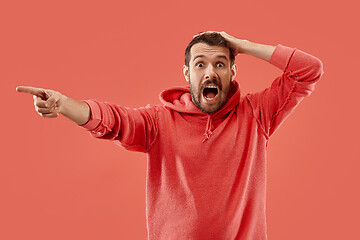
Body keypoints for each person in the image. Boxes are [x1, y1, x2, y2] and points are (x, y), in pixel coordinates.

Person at [16, 31, 324, 240]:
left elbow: (308, 70)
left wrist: (241, 44)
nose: (210, 73)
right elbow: (113, 120)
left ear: (232, 72)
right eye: (200, 64)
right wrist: (65, 105)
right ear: (187, 74)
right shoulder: (159, 121)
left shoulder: (256, 114)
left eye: (220, 64)